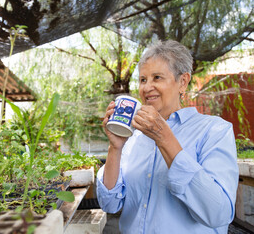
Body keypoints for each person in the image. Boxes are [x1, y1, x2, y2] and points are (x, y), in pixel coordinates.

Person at [96, 40, 239, 234]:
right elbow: (110, 204)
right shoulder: (135, 138)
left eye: (157, 77)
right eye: (143, 80)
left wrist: (164, 138)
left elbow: (218, 213)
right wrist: (116, 147)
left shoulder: (214, 130)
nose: (147, 88)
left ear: (183, 82)